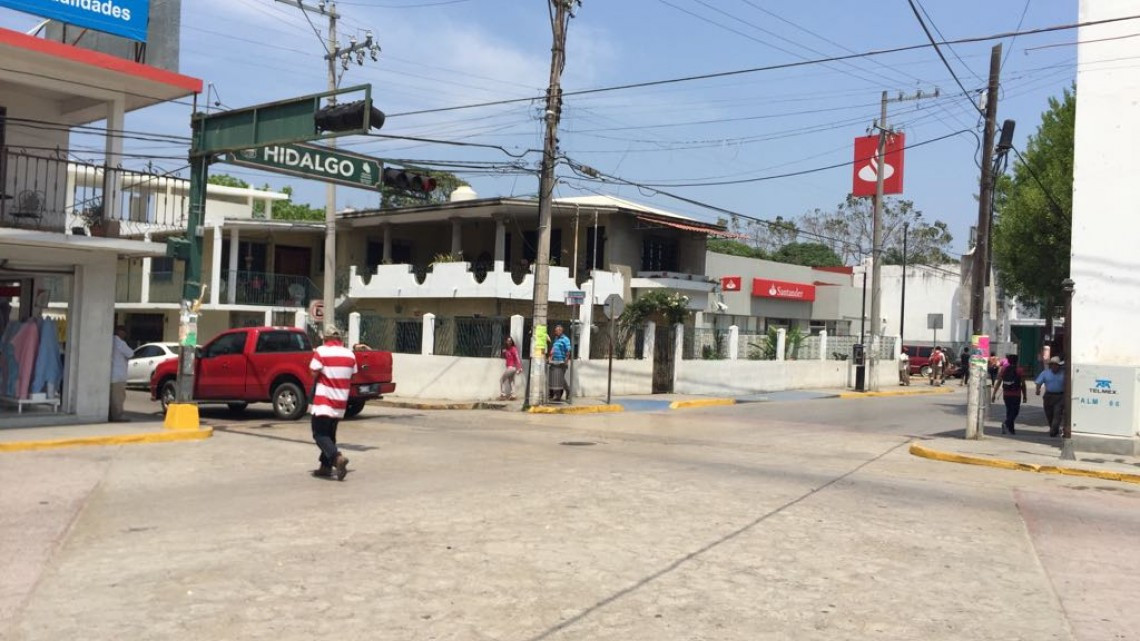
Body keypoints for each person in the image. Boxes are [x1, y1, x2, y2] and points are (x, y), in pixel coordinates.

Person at [309, 326, 357, 481]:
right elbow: (353, 375)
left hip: (324, 401)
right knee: (330, 434)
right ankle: (325, 467)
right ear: (340, 339)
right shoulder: (350, 354)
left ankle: (337, 458)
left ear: (325, 339)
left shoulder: (321, 351)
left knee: (319, 434)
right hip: (340, 402)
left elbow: (313, 372)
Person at [992, 354, 1027, 435]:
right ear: (1017, 361)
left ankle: (1011, 430)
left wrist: (994, 394)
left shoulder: (1004, 369)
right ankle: (1006, 424)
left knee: (1009, 411)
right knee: (1015, 411)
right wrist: (1025, 396)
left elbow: (998, 382)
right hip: (1016, 394)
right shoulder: (1019, 370)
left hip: (1006, 394)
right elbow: (1023, 384)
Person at [1036, 356, 1066, 437]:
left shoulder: (1064, 373)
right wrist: (1038, 390)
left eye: (1056, 365)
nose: (1054, 366)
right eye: (1052, 365)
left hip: (1060, 396)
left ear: (1059, 366)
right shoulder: (1045, 373)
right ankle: (1053, 428)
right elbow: (1039, 382)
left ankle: (1053, 431)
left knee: (1057, 413)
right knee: (1049, 414)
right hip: (1049, 395)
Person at [109, 325, 133, 422]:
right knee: (118, 398)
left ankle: (111, 415)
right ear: (120, 332)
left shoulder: (110, 341)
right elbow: (130, 353)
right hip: (118, 375)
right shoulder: (120, 343)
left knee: (111, 398)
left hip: (110, 374)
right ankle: (118, 416)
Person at [547, 325, 572, 401]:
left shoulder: (565, 339)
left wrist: (566, 361)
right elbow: (554, 349)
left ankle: (564, 392)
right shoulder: (556, 339)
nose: (555, 332)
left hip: (562, 362)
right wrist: (550, 358)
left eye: (556, 331)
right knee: (557, 379)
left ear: (561, 330)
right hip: (555, 362)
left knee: (560, 379)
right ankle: (562, 394)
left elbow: (568, 351)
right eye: (555, 331)